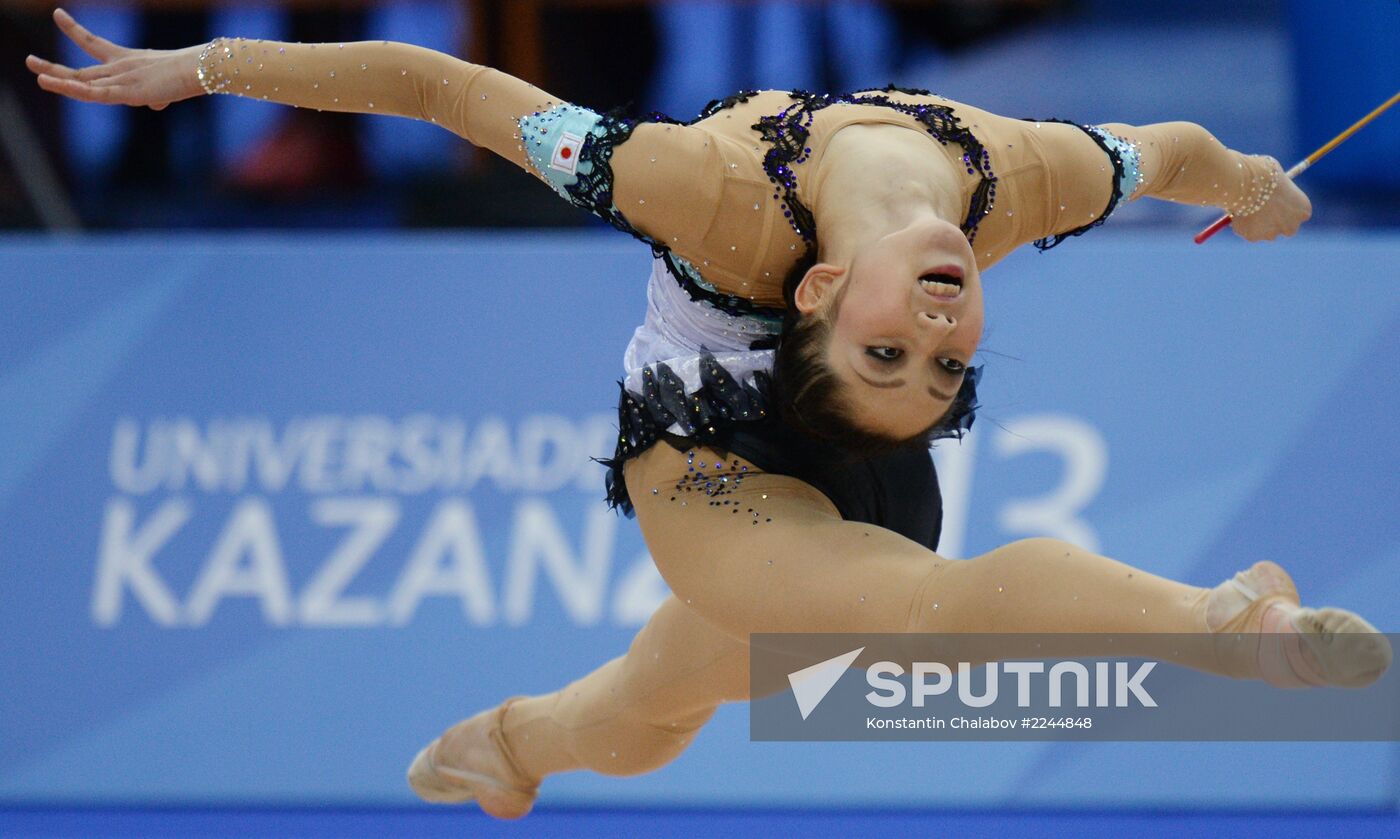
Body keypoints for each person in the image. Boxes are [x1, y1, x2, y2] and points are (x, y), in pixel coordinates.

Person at [27, 8, 1389, 820]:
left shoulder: (987, 187)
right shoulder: (769, 186)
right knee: (925, 629)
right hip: (704, 450)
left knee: (658, 707)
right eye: (937, 355)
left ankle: (520, 744)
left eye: (902, 356)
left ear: (829, 292)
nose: (934, 333)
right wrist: (200, 66)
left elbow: (1188, 158)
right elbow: (437, 86)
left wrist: (1260, 188)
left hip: (859, 482)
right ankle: (1231, 622)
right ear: (809, 284)